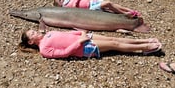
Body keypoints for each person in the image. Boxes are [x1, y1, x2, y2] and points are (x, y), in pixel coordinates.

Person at [19, 29, 162, 59]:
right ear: (31, 41)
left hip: (84, 38)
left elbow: (67, 34)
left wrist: (81, 33)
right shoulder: (44, 50)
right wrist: (79, 42)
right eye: (32, 33)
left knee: (113, 39)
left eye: (34, 30)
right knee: (114, 44)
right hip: (83, 48)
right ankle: (146, 48)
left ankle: (144, 41)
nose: (36, 31)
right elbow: (63, 53)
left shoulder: (48, 33)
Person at [53, 0, 141, 18]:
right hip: (90, 8)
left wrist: (75, 2)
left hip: (92, 2)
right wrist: (75, 3)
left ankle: (130, 10)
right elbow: (74, 10)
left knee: (111, 3)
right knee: (107, 4)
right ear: (59, 5)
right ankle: (126, 14)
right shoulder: (66, 8)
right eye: (60, 0)